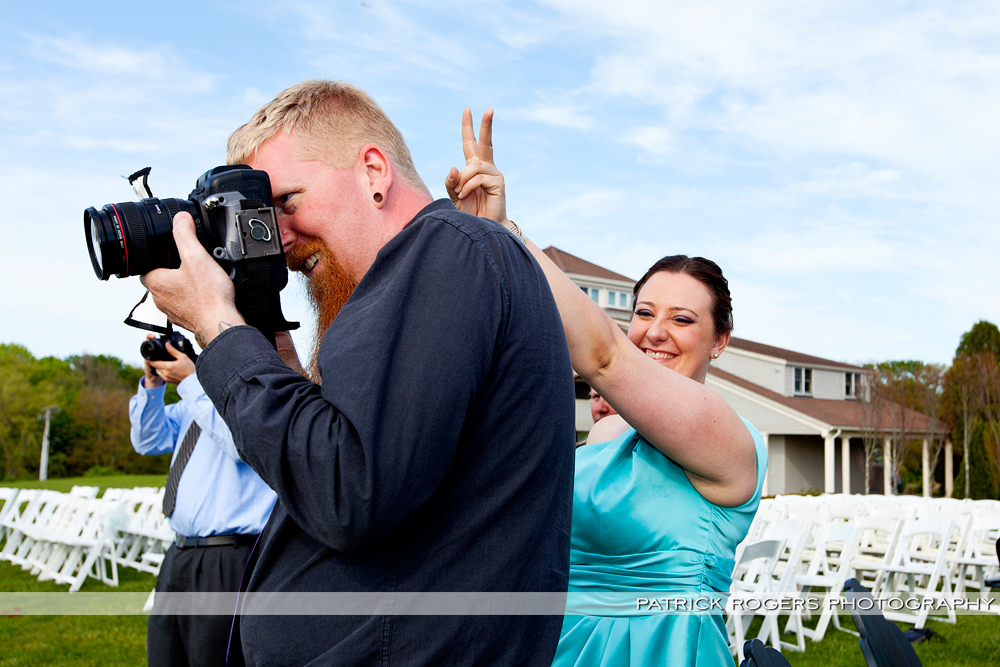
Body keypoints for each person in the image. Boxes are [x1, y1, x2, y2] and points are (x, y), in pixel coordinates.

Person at [141, 81, 575, 666]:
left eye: (286, 201)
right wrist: (273, 357)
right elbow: (346, 454)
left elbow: (349, 491)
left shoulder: (446, 249)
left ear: (374, 171)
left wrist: (217, 328)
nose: (279, 237)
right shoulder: (419, 275)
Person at [447, 109, 767, 666]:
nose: (655, 332)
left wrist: (506, 232)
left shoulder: (730, 440)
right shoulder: (605, 435)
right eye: (643, 312)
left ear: (720, 342)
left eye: (683, 320)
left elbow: (604, 355)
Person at [129, 335, 277, 667]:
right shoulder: (195, 403)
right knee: (165, 656)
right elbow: (148, 440)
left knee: (213, 658)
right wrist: (153, 386)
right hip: (179, 552)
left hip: (228, 556)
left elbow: (241, 444)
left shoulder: (253, 398)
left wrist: (192, 382)